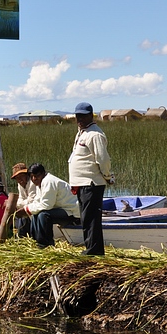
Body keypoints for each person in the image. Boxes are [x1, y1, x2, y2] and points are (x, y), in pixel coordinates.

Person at [68, 102, 114, 256]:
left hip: (91, 183)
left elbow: (103, 159)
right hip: (82, 184)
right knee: (86, 217)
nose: (79, 118)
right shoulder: (82, 133)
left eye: (83, 115)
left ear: (90, 116)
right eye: (77, 115)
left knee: (91, 218)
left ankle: (94, 251)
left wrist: (107, 177)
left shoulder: (95, 134)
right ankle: (90, 248)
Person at [14, 163, 80, 248]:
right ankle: (35, 240)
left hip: (72, 212)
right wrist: (27, 210)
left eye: (37, 176)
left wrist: (26, 210)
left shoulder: (49, 181)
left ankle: (45, 244)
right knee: (35, 213)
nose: (34, 179)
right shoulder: (39, 183)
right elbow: (37, 201)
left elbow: (46, 205)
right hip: (61, 209)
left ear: (43, 173)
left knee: (44, 215)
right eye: (32, 176)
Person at [9, 162, 36, 239]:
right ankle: (20, 237)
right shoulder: (20, 185)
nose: (20, 180)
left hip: (36, 208)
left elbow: (31, 201)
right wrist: (19, 204)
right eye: (17, 178)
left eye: (22, 176)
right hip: (28, 207)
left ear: (27, 175)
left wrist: (18, 204)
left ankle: (27, 237)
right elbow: (21, 198)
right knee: (19, 215)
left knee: (24, 215)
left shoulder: (33, 183)